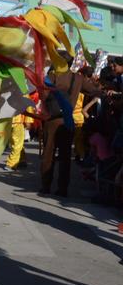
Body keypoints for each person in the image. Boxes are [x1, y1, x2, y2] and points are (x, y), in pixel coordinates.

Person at [41, 67, 104, 197]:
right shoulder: (78, 78)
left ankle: (45, 186)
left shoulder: (52, 76)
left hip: (51, 119)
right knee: (65, 156)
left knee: (48, 154)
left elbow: (43, 94)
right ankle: (62, 188)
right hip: (68, 120)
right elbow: (94, 91)